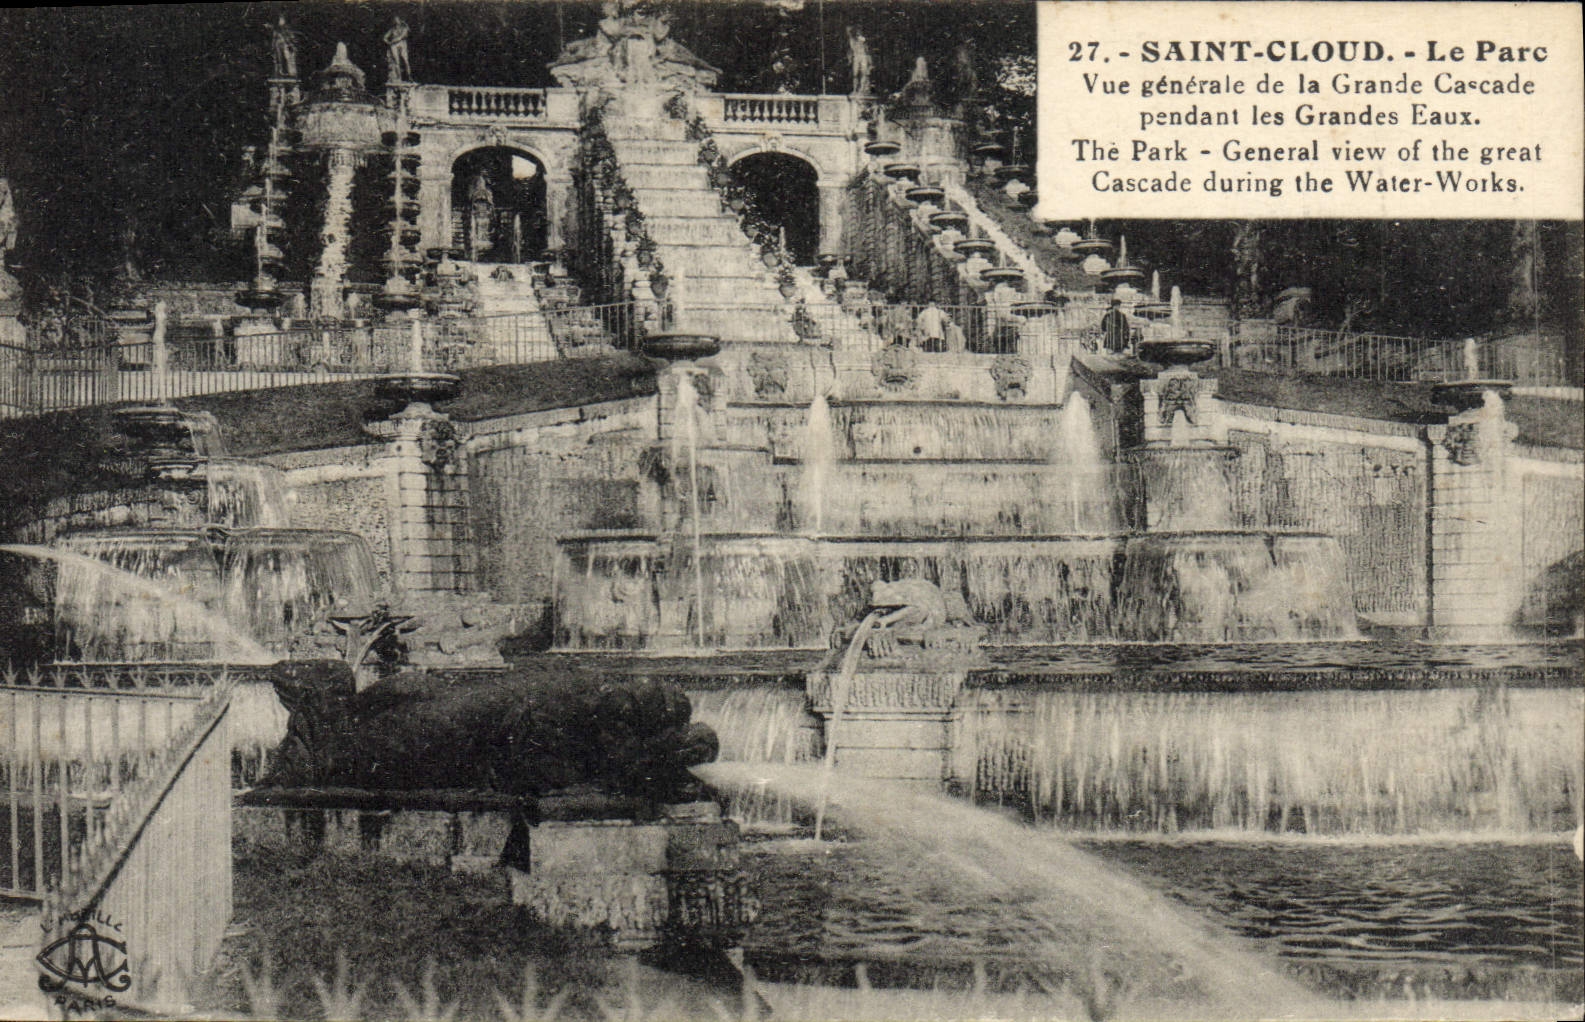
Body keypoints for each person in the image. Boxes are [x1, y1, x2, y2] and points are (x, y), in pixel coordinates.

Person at [384, 16, 412, 82]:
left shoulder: (404, 28)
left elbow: (401, 36)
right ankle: (399, 78)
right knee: (396, 61)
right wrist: (388, 42)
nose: (396, 22)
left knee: (405, 61)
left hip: (402, 44)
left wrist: (392, 41)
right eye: (395, 20)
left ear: (400, 21)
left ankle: (409, 76)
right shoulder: (392, 29)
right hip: (394, 45)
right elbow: (385, 37)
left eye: (397, 20)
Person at [846, 27, 873, 96]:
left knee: (863, 73)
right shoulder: (851, 41)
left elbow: (867, 51)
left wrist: (870, 62)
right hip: (856, 57)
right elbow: (850, 51)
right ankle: (855, 89)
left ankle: (862, 89)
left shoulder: (863, 41)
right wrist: (849, 59)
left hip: (863, 56)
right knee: (855, 74)